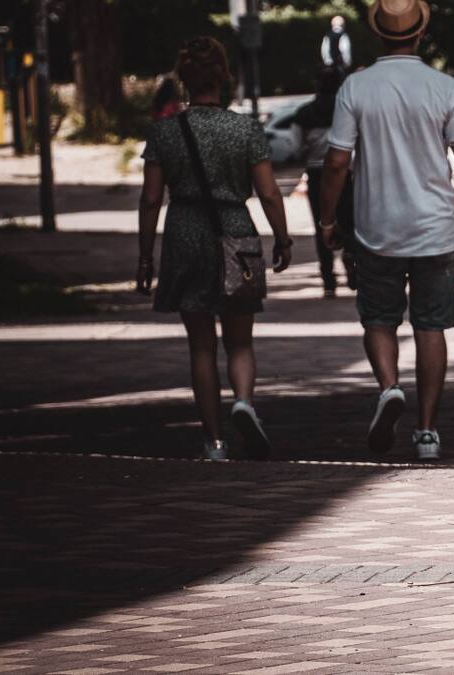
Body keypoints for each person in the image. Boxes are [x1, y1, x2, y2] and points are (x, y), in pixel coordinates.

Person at [316, 0, 454, 461]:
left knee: (379, 319)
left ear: (378, 34)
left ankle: (390, 387)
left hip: (376, 228)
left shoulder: (356, 87)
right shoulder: (444, 87)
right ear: (420, 33)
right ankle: (427, 431)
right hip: (436, 229)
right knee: (431, 327)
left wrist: (328, 219)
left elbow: (336, 162)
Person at [137, 36, 294, 461]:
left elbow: (151, 199)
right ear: (224, 77)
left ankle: (215, 442)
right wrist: (282, 238)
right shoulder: (245, 129)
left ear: (183, 79)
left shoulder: (164, 132)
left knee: (201, 345)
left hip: (185, 233)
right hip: (236, 232)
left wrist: (145, 256)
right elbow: (269, 193)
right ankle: (243, 401)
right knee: (240, 341)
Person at [294, 67, 356, 296]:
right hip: (346, 172)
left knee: (323, 223)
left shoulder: (304, 113)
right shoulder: (347, 110)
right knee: (349, 221)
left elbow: (295, 146)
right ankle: (352, 262)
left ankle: (328, 279)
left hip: (316, 173)